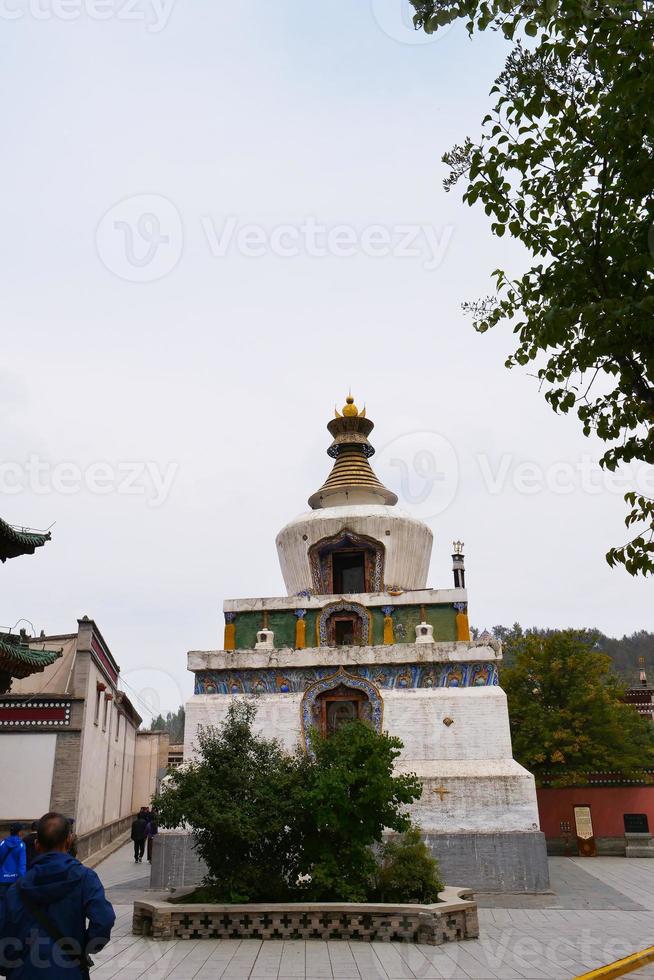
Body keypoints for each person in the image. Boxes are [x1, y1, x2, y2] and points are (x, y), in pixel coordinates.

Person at [0, 811, 115, 980]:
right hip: (69, 970)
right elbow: (104, 919)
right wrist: (84, 947)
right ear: (68, 841)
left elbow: (5, 930)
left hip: (25, 971)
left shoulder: (17, 888)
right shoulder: (85, 878)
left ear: (37, 845)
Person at [0, 824, 26, 899]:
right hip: (16, 880)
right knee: (14, 904)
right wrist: (23, 880)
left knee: (2, 902)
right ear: (19, 832)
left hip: (2, 878)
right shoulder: (21, 845)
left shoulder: (2, 843)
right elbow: (22, 865)